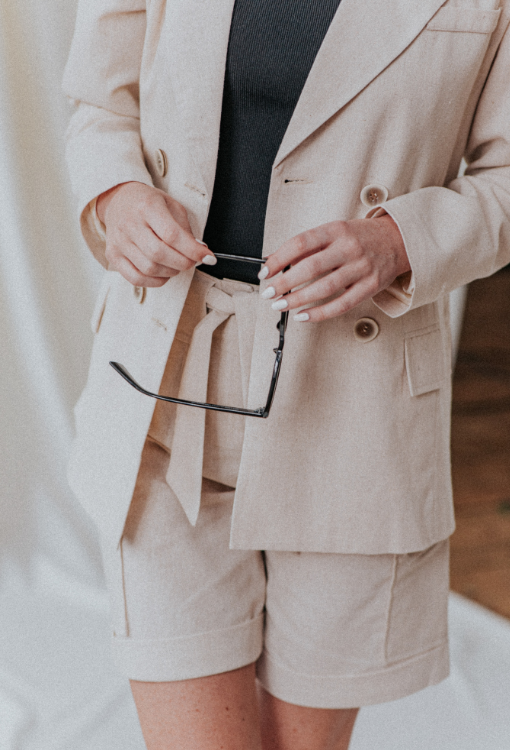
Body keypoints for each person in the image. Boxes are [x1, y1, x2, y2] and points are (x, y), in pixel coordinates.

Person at [62, 1, 510, 748]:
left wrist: (400, 240)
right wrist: (117, 194)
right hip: (163, 389)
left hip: (353, 408)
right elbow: (99, 103)